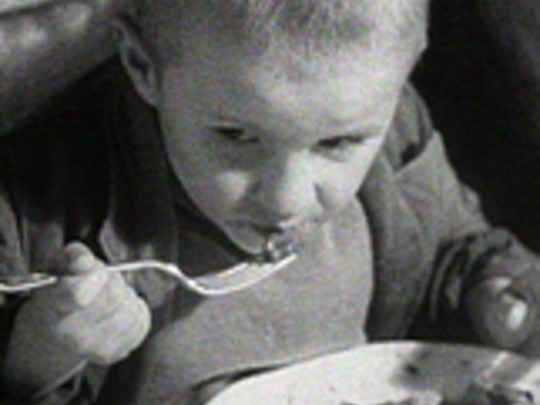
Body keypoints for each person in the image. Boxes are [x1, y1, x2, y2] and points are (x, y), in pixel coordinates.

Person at [2, 0, 540, 404]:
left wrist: (489, 296)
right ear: (143, 68)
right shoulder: (45, 208)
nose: (286, 198)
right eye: (236, 136)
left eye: (338, 144)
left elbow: (452, 251)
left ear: (399, 82)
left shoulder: (394, 132)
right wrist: (40, 356)